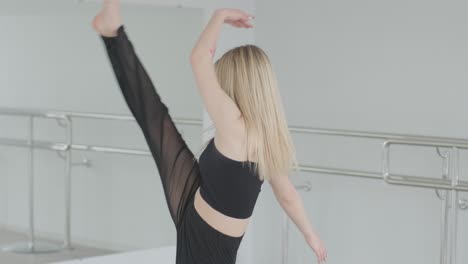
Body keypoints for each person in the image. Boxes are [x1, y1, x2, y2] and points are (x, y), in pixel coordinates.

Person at [92, 1, 327, 263]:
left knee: (154, 117)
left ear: (237, 84)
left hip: (203, 233)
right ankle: (112, 32)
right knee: (155, 117)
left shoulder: (235, 122)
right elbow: (287, 195)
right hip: (199, 215)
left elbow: (199, 58)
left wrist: (220, 16)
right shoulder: (267, 139)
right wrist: (311, 235)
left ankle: (113, 34)